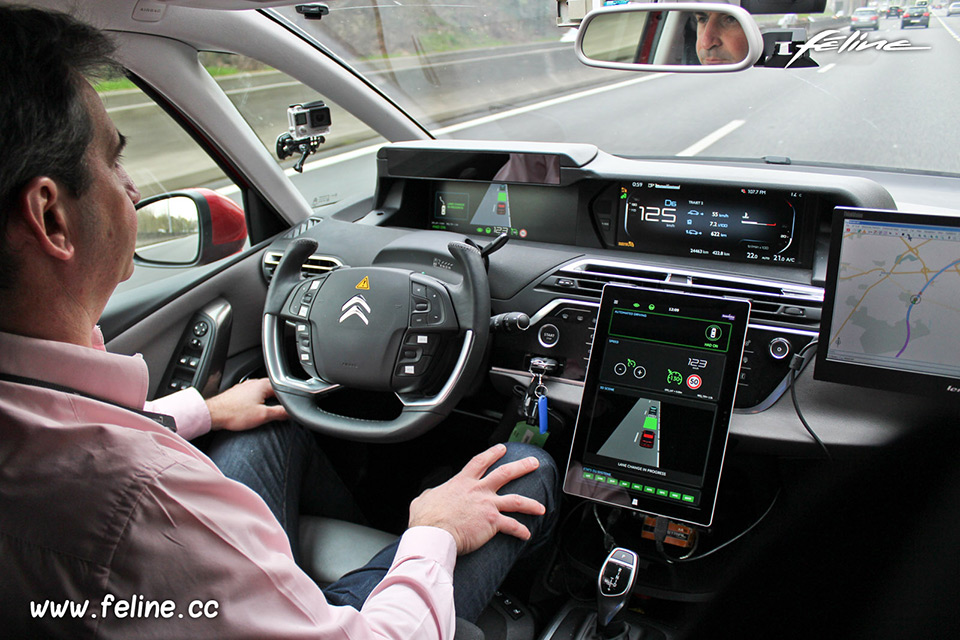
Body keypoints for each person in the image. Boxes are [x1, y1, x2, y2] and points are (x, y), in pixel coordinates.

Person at [0, 5, 558, 637]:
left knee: (273, 419)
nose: (130, 191)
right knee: (527, 467)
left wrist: (203, 410)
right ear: (51, 218)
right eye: (113, 160)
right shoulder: (146, 499)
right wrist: (431, 533)